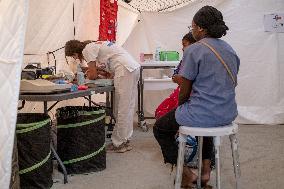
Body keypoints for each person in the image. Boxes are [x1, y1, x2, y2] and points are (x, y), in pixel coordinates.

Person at [153, 5, 240, 188]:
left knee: (160, 128)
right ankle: (206, 170)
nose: (191, 30)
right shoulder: (230, 50)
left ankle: (186, 175)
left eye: (191, 26)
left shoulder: (194, 50)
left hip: (203, 113)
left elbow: (184, 90)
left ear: (200, 27)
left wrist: (180, 111)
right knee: (205, 120)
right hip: (227, 113)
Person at [65, 40, 140, 153]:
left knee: (121, 109)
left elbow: (93, 75)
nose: (75, 59)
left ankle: (119, 143)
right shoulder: (96, 45)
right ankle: (125, 140)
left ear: (75, 52)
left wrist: (84, 76)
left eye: (73, 56)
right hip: (131, 68)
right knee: (127, 107)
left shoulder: (87, 50)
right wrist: (100, 72)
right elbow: (106, 67)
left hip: (125, 70)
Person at [155, 32, 196, 119]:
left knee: (169, 115)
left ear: (193, 45)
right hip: (179, 93)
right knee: (160, 110)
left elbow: (188, 81)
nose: (182, 48)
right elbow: (175, 74)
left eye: (185, 45)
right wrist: (177, 78)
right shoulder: (184, 60)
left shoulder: (196, 61)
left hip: (187, 97)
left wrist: (180, 79)